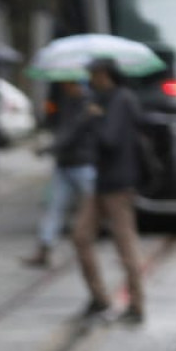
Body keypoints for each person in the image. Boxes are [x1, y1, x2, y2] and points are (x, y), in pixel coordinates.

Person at [70, 59, 145, 322]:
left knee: (125, 245)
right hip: (101, 182)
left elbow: (109, 139)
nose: (90, 80)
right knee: (80, 236)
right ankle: (99, 298)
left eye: (93, 75)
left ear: (104, 74)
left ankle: (136, 305)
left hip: (119, 184)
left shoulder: (121, 100)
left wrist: (93, 118)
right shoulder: (103, 99)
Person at [21, 80, 95, 268]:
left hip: (83, 164)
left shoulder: (88, 104)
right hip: (65, 164)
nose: (65, 88)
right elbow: (58, 126)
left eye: (69, 84)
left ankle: (87, 244)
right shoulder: (66, 102)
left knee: (93, 207)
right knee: (54, 207)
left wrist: (48, 148)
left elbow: (72, 132)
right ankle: (44, 248)